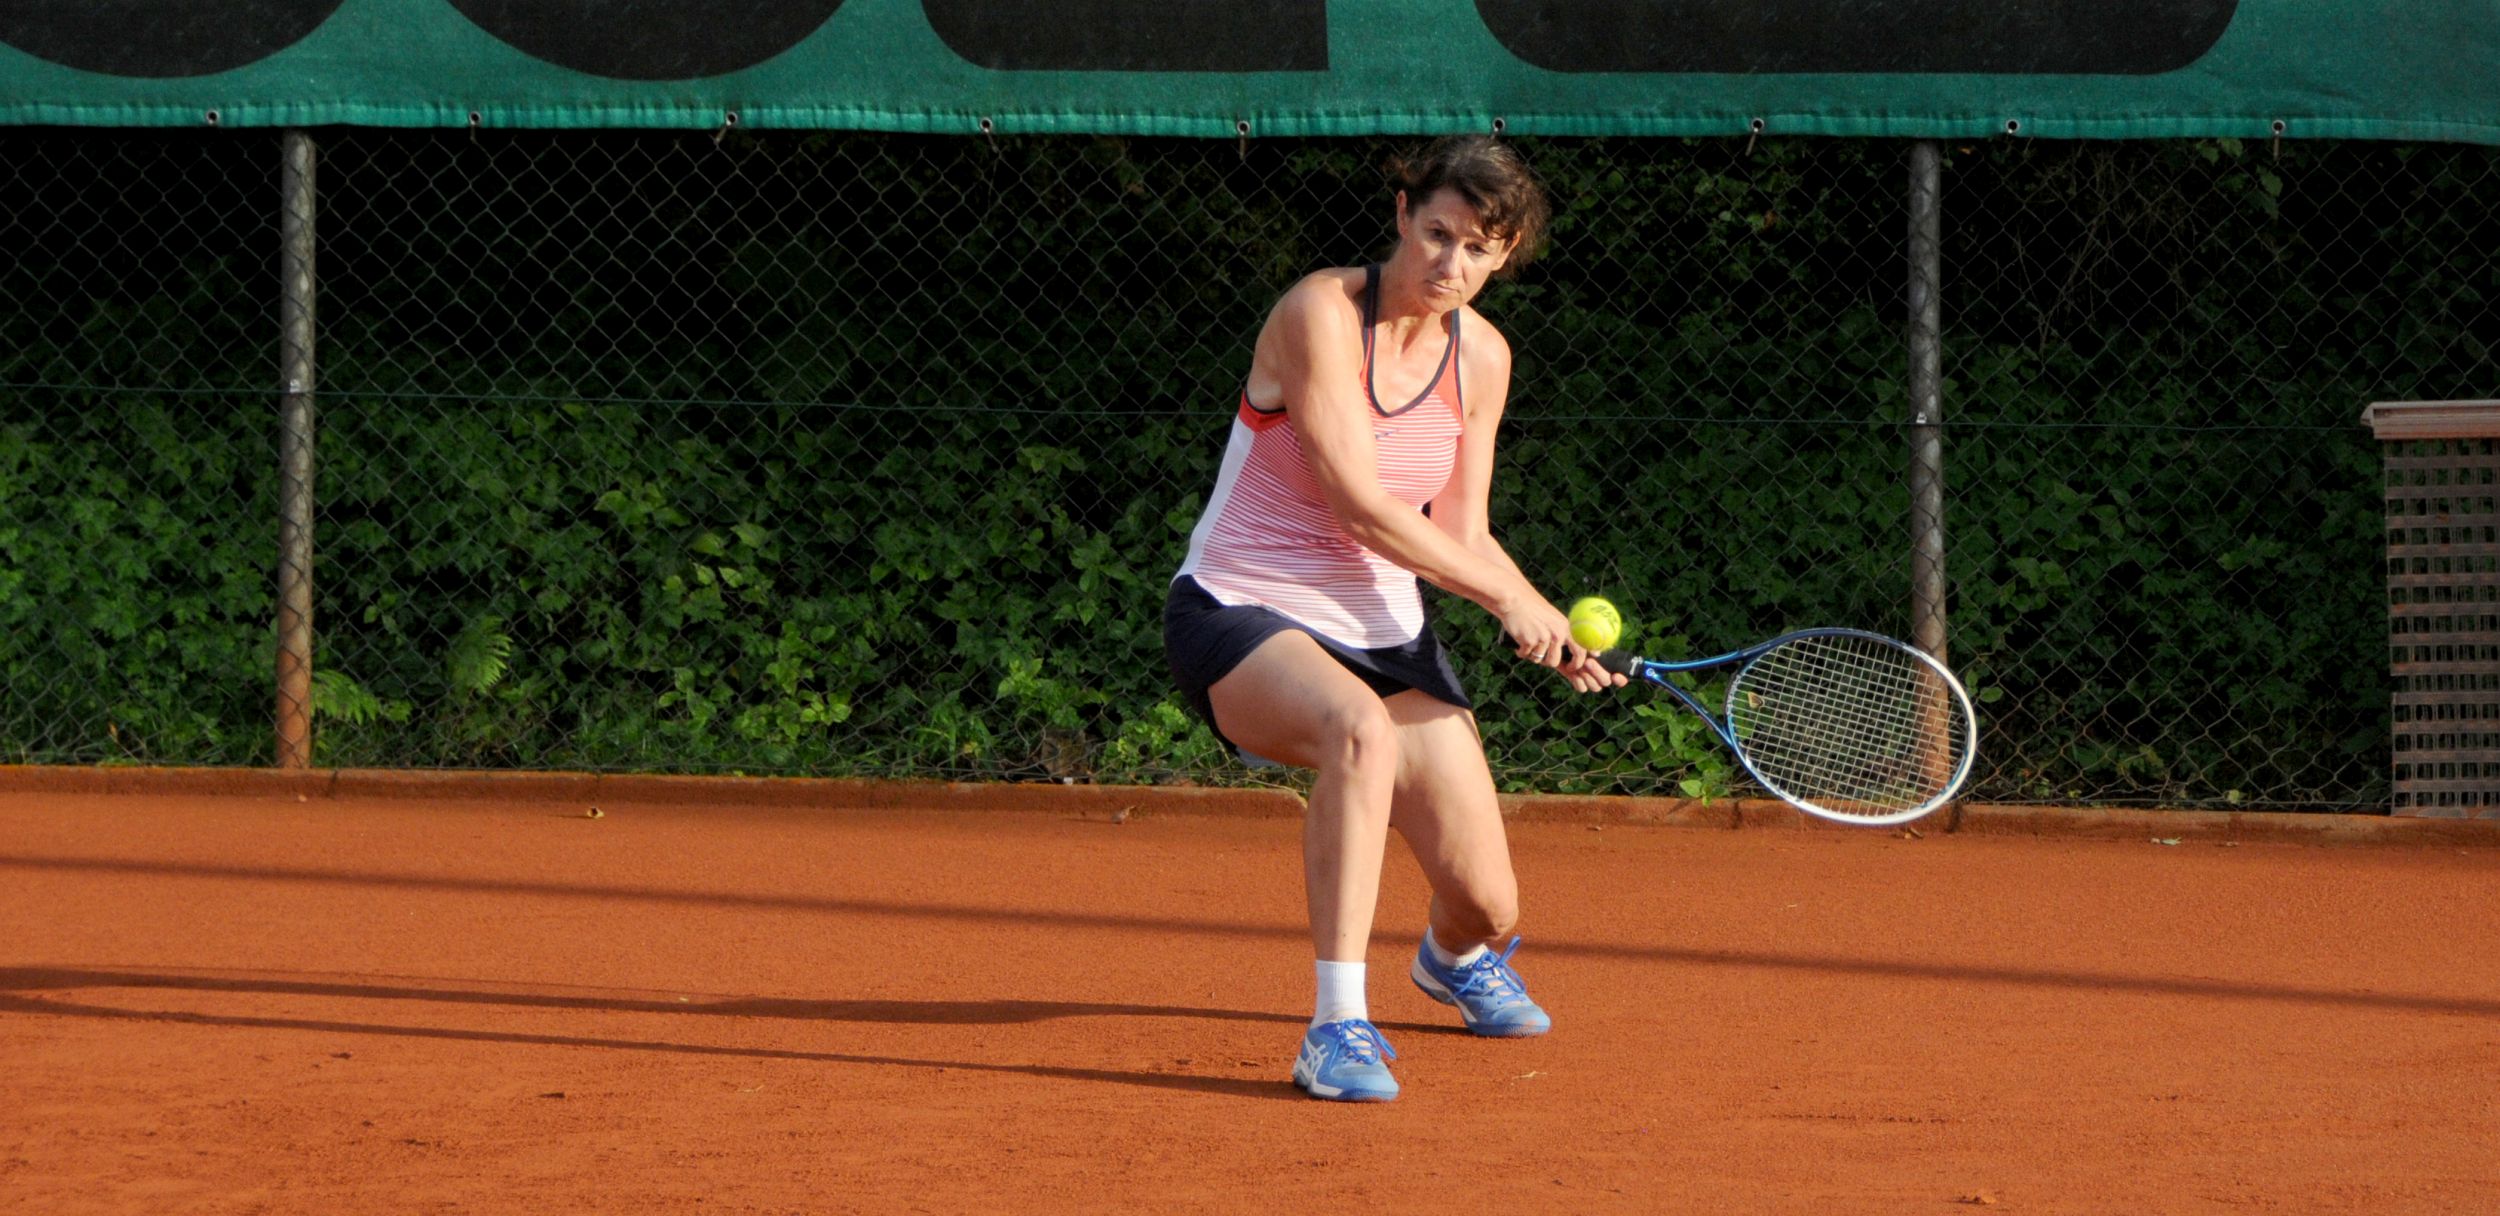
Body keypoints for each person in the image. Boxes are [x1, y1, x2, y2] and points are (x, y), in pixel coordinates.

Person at [1162, 135, 1623, 1102]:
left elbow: (1463, 531)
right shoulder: (1320, 314)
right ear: (1404, 214)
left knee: (1488, 902)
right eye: (1439, 233)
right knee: (1357, 730)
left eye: (1479, 249)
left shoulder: (1482, 358)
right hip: (1242, 607)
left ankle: (1450, 962)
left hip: (1384, 631)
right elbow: (1360, 506)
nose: (1451, 264)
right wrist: (1501, 599)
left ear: (1503, 257)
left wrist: (1539, 613)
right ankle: (1335, 1027)